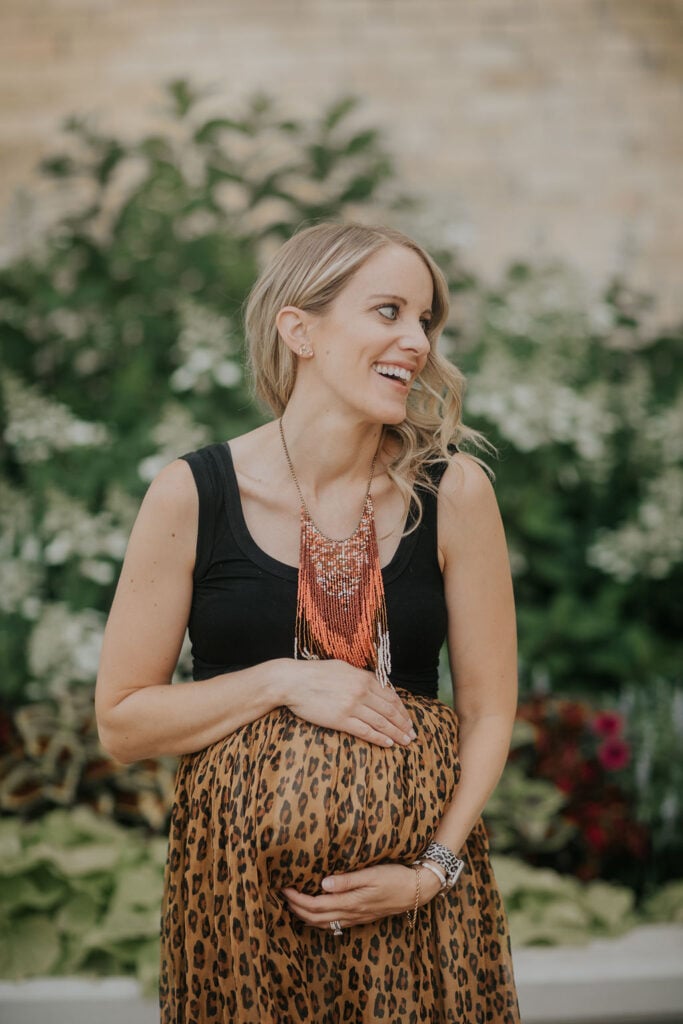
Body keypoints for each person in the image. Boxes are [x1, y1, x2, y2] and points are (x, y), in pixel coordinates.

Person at [95, 221, 521, 1023]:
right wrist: (285, 679)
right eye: (388, 311)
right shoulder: (191, 495)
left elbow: (491, 710)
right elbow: (122, 724)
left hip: (417, 912)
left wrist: (432, 871)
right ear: (300, 330)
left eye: (426, 320)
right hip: (235, 914)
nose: (417, 342)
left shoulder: (453, 493)